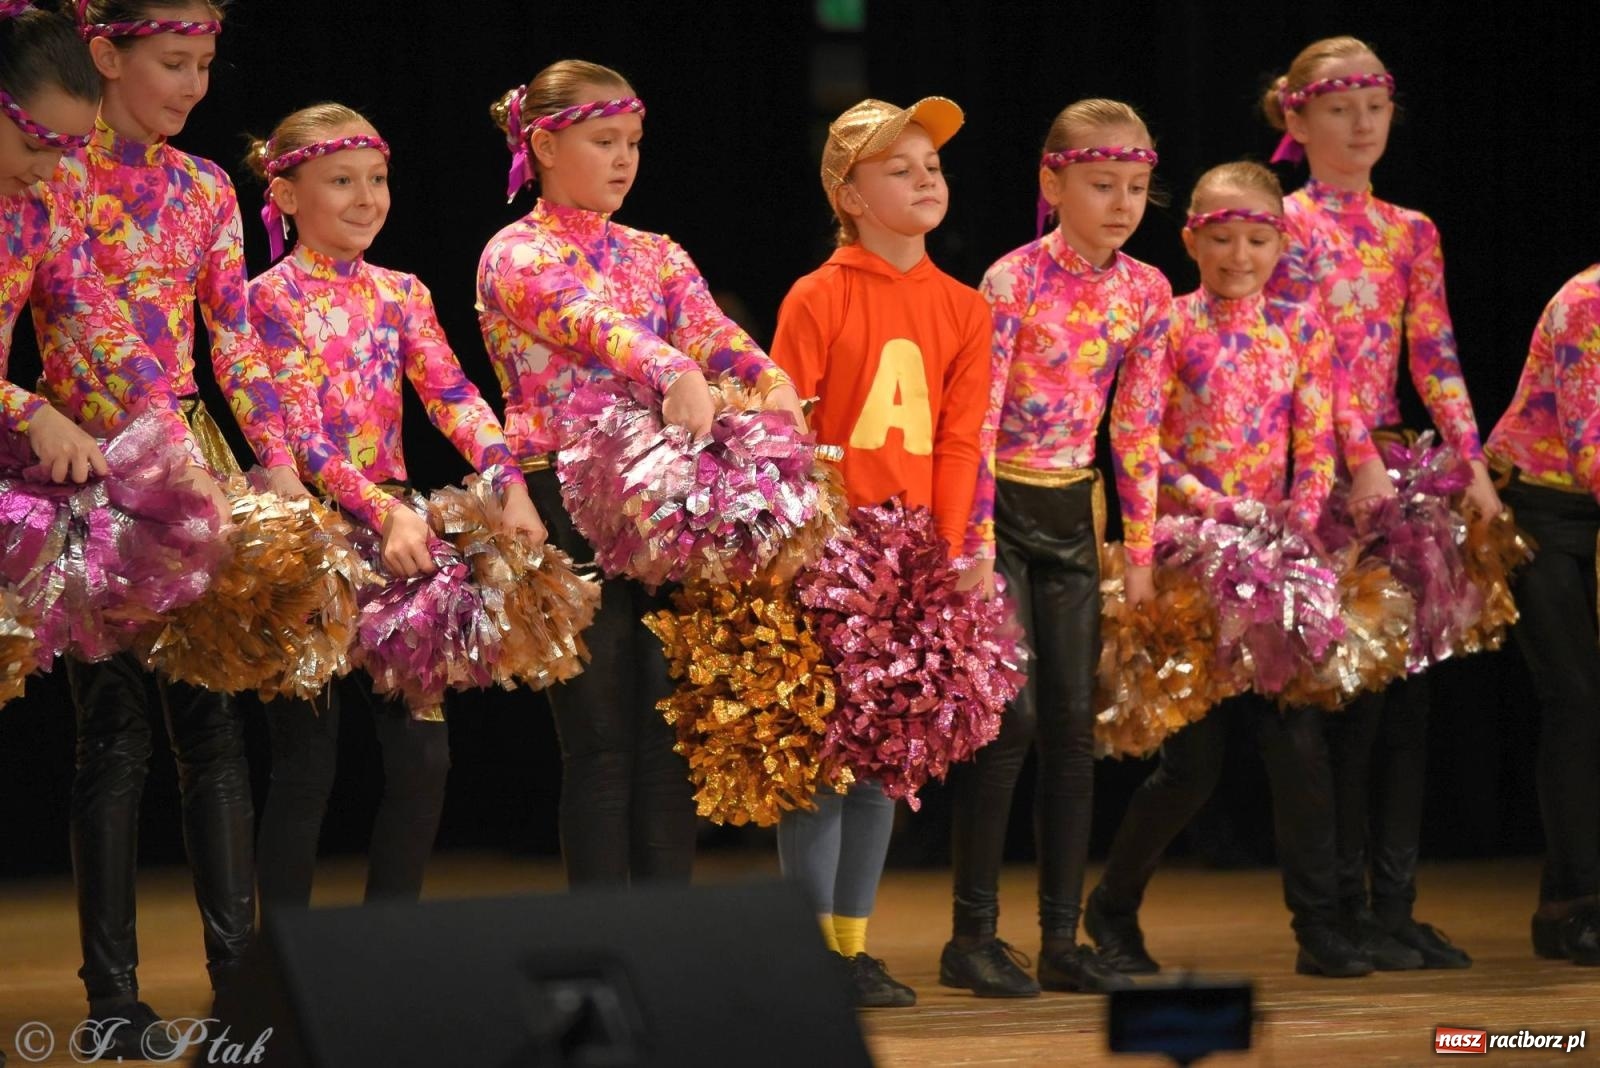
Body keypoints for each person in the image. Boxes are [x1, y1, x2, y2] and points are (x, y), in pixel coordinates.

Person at [477, 59, 800, 888]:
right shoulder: (515, 252)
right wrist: (673, 373)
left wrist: (770, 382)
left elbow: (711, 330)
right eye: (603, 141)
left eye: (633, 143)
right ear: (544, 146)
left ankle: (668, 938)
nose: (625, 159)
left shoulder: (656, 251)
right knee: (600, 740)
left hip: (662, 498)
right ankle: (606, 939)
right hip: (564, 495)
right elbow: (594, 324)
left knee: (665, 731)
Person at [246, 102, 545, 912]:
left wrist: (505, 478)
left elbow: (452, 393)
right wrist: (385, 513)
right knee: (306, 765)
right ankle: (275, 968)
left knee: (423, 760)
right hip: (312, 535)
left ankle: (388, 952)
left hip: (397, 536)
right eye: (341, 181)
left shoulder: (402, 293)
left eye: (376, 180)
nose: (366, 198)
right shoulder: (265, 301)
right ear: (285, 196)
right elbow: (303, 439)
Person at [1086, 162, 1372, 979]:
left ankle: (1320, 927)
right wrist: (1211, 511)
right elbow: (1138, 441)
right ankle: (1112, 909)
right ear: (1193, 239)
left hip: (1274, 562)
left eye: (1256, 238)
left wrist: (1299, 518)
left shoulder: (1301, 326)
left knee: (1300, 746)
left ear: (1281, 241)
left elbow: (1315, 444)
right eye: (1221, 238)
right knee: (1193, 766)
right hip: (1191, 560)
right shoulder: (1169, 326)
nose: (1239, 255)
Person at [1265, 35, 1493, 969]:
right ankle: (1330, 914)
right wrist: (1357, 461)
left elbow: (1433, 354)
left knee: (1408, 704)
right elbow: (1306, 365)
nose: (1362, 126)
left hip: (1401, 474)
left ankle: (1392, 904)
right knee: (1330, 705)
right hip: (1314, 475)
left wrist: (1470, 464)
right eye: (1339, 109)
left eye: (1375, 107)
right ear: (1297, 117)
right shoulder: (1278, 223)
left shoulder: (1412, 229)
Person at [942, 98, 1168, 998]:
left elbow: (1138, 428)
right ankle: (973, 935)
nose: (1120, 204)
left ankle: (1062, 939)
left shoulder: (1147, 290)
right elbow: (980, 422)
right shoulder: (1013, 281)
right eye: (1102, 184)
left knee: (1075, 732)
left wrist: (1138, 550)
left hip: (1075, 514)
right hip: (1003, 515)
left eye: (1138, 190)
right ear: (1053, 180)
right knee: (1014, 722)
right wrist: (974, 537)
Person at [769, 95, 987, 1006]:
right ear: (848, 194)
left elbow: (960, 441)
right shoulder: (819, 294)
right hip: (830, 555)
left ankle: (848, 949)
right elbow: (784, 430)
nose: (925, 175)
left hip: (914, 565)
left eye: (931, 163)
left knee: (882, 763)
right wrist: (808, 541)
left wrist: (948, 552)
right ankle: (800, 951)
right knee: (820, 761)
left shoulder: (966, 307)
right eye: (900, 167)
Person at [1485, 265, 1600, 967]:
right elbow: (1592, 447)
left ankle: (1562, 904)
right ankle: (1579, 902)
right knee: (1577, 700)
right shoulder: (1588, 302)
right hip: (1544, 509)